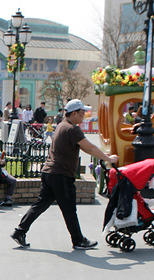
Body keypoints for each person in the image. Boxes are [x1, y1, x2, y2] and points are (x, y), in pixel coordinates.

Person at [11, 99, 118, 250]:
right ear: (74, 113)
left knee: (41, 204)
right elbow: (90, 148)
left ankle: (20, 231)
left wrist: (102, 156)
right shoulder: (72, 129)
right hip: (61, 175)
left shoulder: (62, 125)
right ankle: (78, 240)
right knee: (69, 210)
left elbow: (85, 148)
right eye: (82, 113)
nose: (84, 115)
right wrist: (108, 158)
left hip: (49, 172)